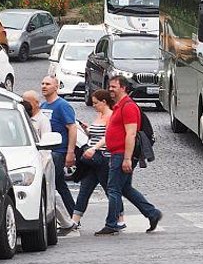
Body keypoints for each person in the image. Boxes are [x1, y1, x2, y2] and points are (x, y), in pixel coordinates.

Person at [95, 75, 162, 236]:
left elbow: (131, 134)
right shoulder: (120, 106)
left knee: (113, 189)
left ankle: (112, 223)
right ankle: (152, 213)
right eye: (110, 86)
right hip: (118, 153)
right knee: (125, 188)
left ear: (123, 88)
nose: (110, 89)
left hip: (122, 154)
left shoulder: (128, 107)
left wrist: (127, 158)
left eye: (113, 86)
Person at [62, 89, 125, 233]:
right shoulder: (100, 115)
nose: (94, 106)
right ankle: (74, 220)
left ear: (104, 102)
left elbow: (108, 136)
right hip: (92, 160)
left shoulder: (111, 116)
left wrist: (94, 148)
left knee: (110, 190)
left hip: (103, 158)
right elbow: (95, 134)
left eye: (96, 103)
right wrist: (86, 129)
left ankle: (120, 219)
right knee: (85, 189)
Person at [40, 75, 78, 217]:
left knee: (51, 184)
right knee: (60, 184)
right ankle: (73, 214)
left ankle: (61, 217)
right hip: (46, 151)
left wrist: (70, 152)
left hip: (58, 151)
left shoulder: (62, 105)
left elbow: (72, 128)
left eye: (48, 84)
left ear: (56, 87)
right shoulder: (43, 106)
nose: (44, 86)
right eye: (43, 83)